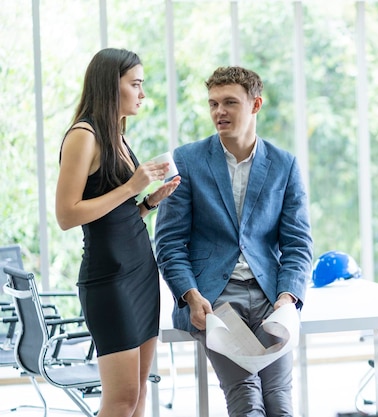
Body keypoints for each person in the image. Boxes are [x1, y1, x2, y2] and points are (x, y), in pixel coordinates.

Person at [155, 66, 313, 416]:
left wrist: (288, 297)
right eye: (213, 104)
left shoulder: (284, 164)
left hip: (272, 298)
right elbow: (168, 242)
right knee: (246, 400)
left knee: (280, 402)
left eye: (229, 103)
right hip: (214, 301)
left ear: (255, 104)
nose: (219, 112)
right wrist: (190, 296)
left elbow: (298, 243)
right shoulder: (186, 160)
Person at [55, 48, 180, 417]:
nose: (142, 94)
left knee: (139, 394)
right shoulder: (84, 136)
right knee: (121, 400)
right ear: (112, 86)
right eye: (135, 85)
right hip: (109, 280)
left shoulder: (118, 135)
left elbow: (115, 216)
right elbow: (66, 215)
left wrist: (148, 203)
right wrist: (130, 188)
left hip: (141, 273)